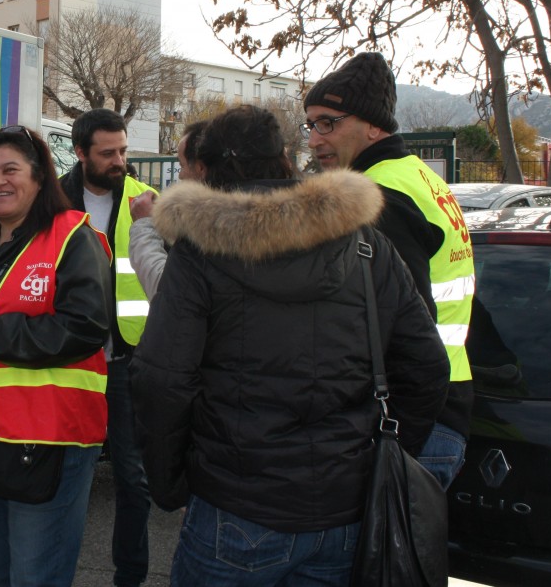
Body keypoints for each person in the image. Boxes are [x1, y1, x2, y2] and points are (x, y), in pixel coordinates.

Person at [130, 105, 450, 586]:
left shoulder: (199, 253)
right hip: (347, 508)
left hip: (234, 504)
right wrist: (384, 456)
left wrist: (169, 481)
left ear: (207, 169)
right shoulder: (365, 244)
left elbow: (162, 380)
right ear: (283, 158)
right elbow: (426, 365)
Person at [0, 125, 111, 587]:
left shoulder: (73, 237)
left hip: (48, 439)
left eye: (10, 169)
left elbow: (86, 327)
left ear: (38, 177)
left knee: (35, 574)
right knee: (2, 572)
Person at [303, 52, 476, 489]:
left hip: (410, 418)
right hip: (442, 401)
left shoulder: (380, 194)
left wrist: (400, 433)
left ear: (373, 126)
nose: (314, 139)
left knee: (384, 557)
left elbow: (400, 325)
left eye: (329, 123)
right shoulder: (415, 174)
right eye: (311, 124)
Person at [57, 108, 156, 587]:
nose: (120, 161)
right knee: (59, 474)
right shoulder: (51, 201)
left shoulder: (147, 201)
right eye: (108, 153)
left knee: (132, 479)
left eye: (123, 151)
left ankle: (130, 577)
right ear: (80, 153)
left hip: (124, 363)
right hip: (66, 362)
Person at [127, 121, 207, 299]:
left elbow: (171, 294)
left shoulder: (208, 226)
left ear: (201, 167)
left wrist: (145, 225)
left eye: (182, 165)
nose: (180, 175)